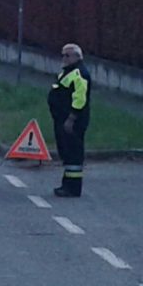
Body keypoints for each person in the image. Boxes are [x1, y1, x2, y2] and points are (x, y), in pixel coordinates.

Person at [47, 42, 91, 197]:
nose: (64, 58)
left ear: (77, 57)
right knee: (67, 152)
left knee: (73, 153)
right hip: (63, 119)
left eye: (67, 55)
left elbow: (80, 99)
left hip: (72, 121)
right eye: (63, 55)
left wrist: (71, 118)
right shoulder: (68, 72)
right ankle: (66, 185)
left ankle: (72, 188)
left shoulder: (79, 74)